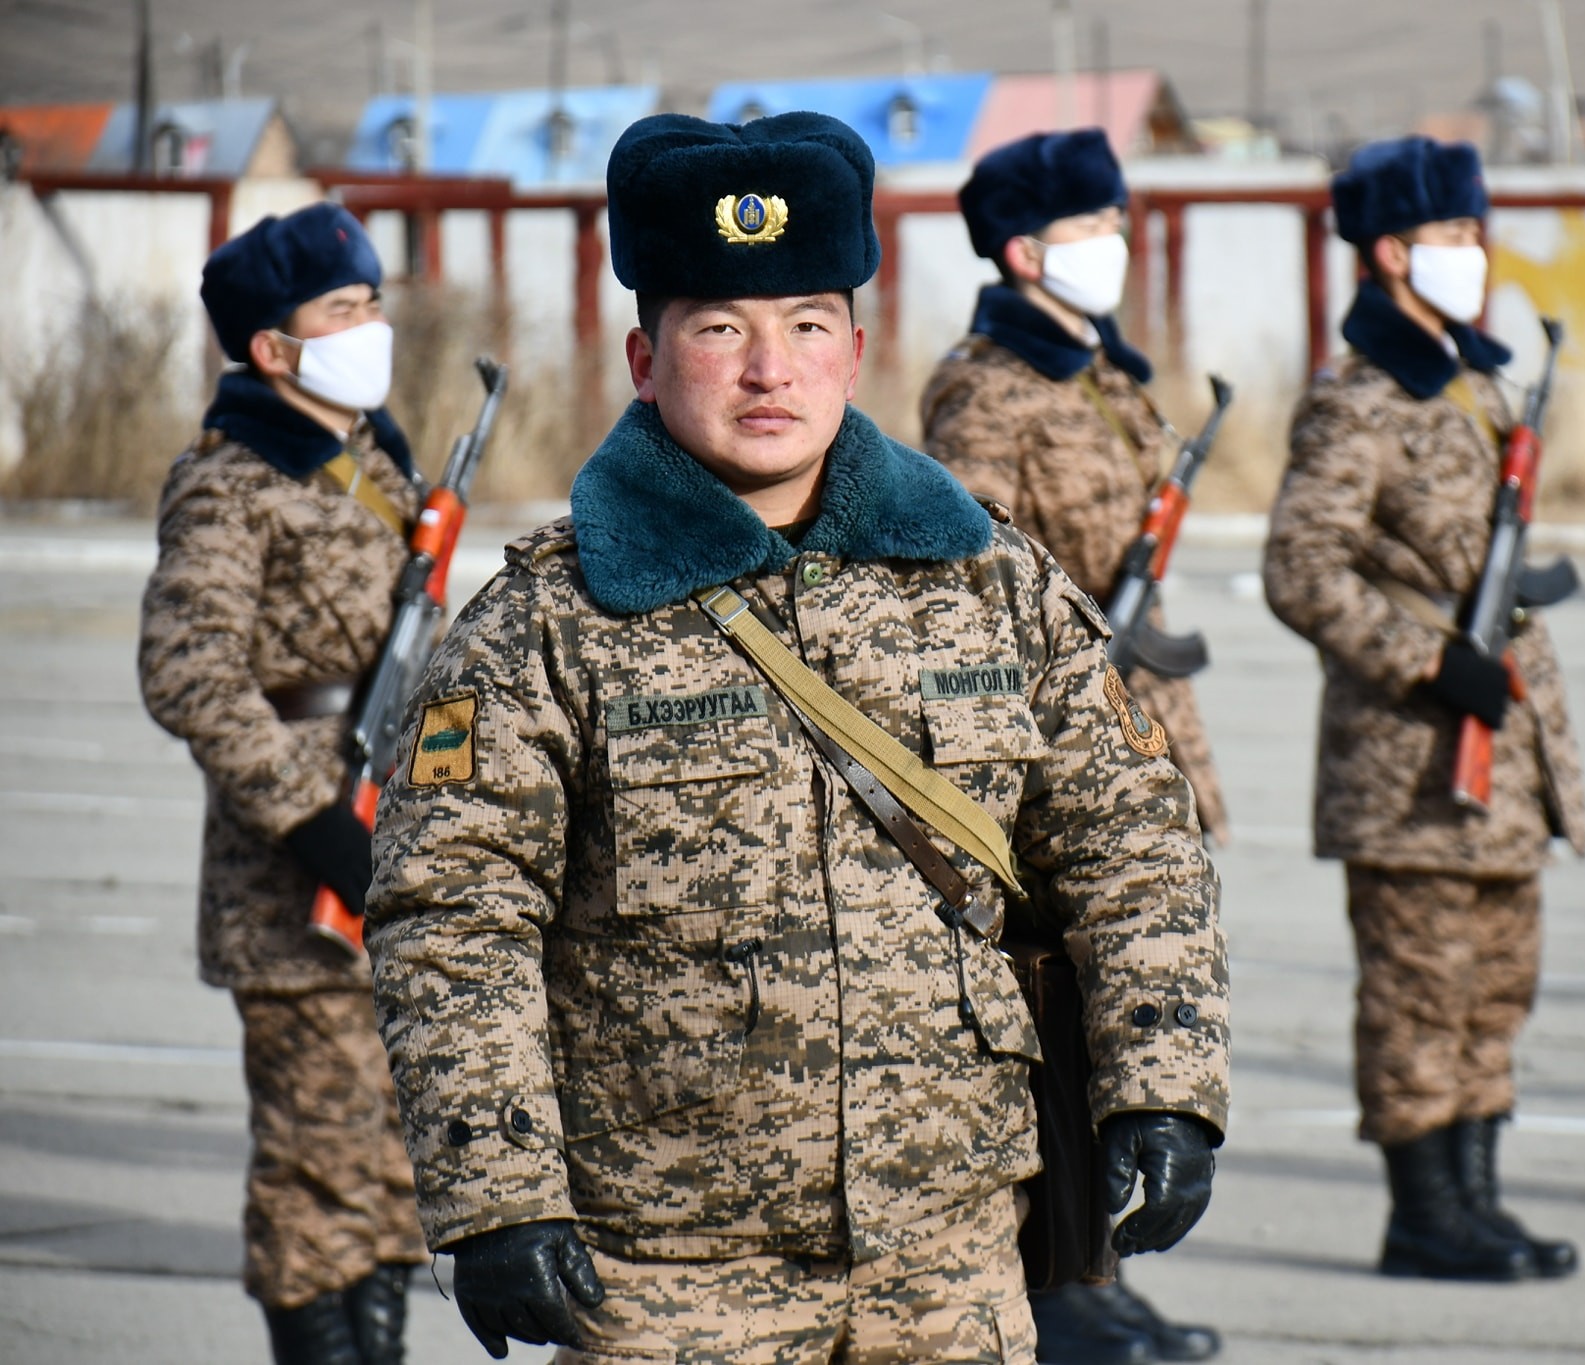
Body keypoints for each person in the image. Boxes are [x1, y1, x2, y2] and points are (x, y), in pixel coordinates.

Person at [365, 111, 1229, 1365]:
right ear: (644, 358)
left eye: (808, 326)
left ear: (856, 352)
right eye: (720, 329)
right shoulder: (543, 626)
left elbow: (1132, 843)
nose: (770, 370)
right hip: (667, 1277)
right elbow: (454, 914)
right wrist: (495, 1190)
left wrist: (1163, 1082)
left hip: (949, 1265)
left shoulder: (991, 583)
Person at [918, 126, 1226, 1364]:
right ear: (1024, 250)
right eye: (1090, 226)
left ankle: (1100, 1267)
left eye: (1114, 220)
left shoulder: (1102, 368)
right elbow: (964, 564)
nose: (1114, 242)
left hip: (1129, 711)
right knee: (1057, 1013)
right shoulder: (983, 386)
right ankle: (1060, 1287)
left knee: (1127, 1003)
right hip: (1048, 719)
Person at [1262, 136, 1585, 1283]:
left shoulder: (1473, 382)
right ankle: (1423, 1217)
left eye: (1472, 231)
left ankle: (1477, 1203)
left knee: (1494, 986)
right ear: (1392, 252)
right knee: (1416, 994)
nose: (1472, 252)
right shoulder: (1357, 402)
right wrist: (1424, 663)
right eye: (1451, 234)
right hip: (1409, 762)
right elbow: (1299, 569)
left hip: (1501, 752)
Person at [138, 202, 427, 1364]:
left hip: (390, 844)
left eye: (372, 302)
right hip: (295, 885)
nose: (372, 325)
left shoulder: (373, 456)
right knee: (318, 1177)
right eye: (342, 309)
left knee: (396, 1166)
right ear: (272, 347)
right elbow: (187, 672)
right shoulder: (230, 480)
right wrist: (313, 826)